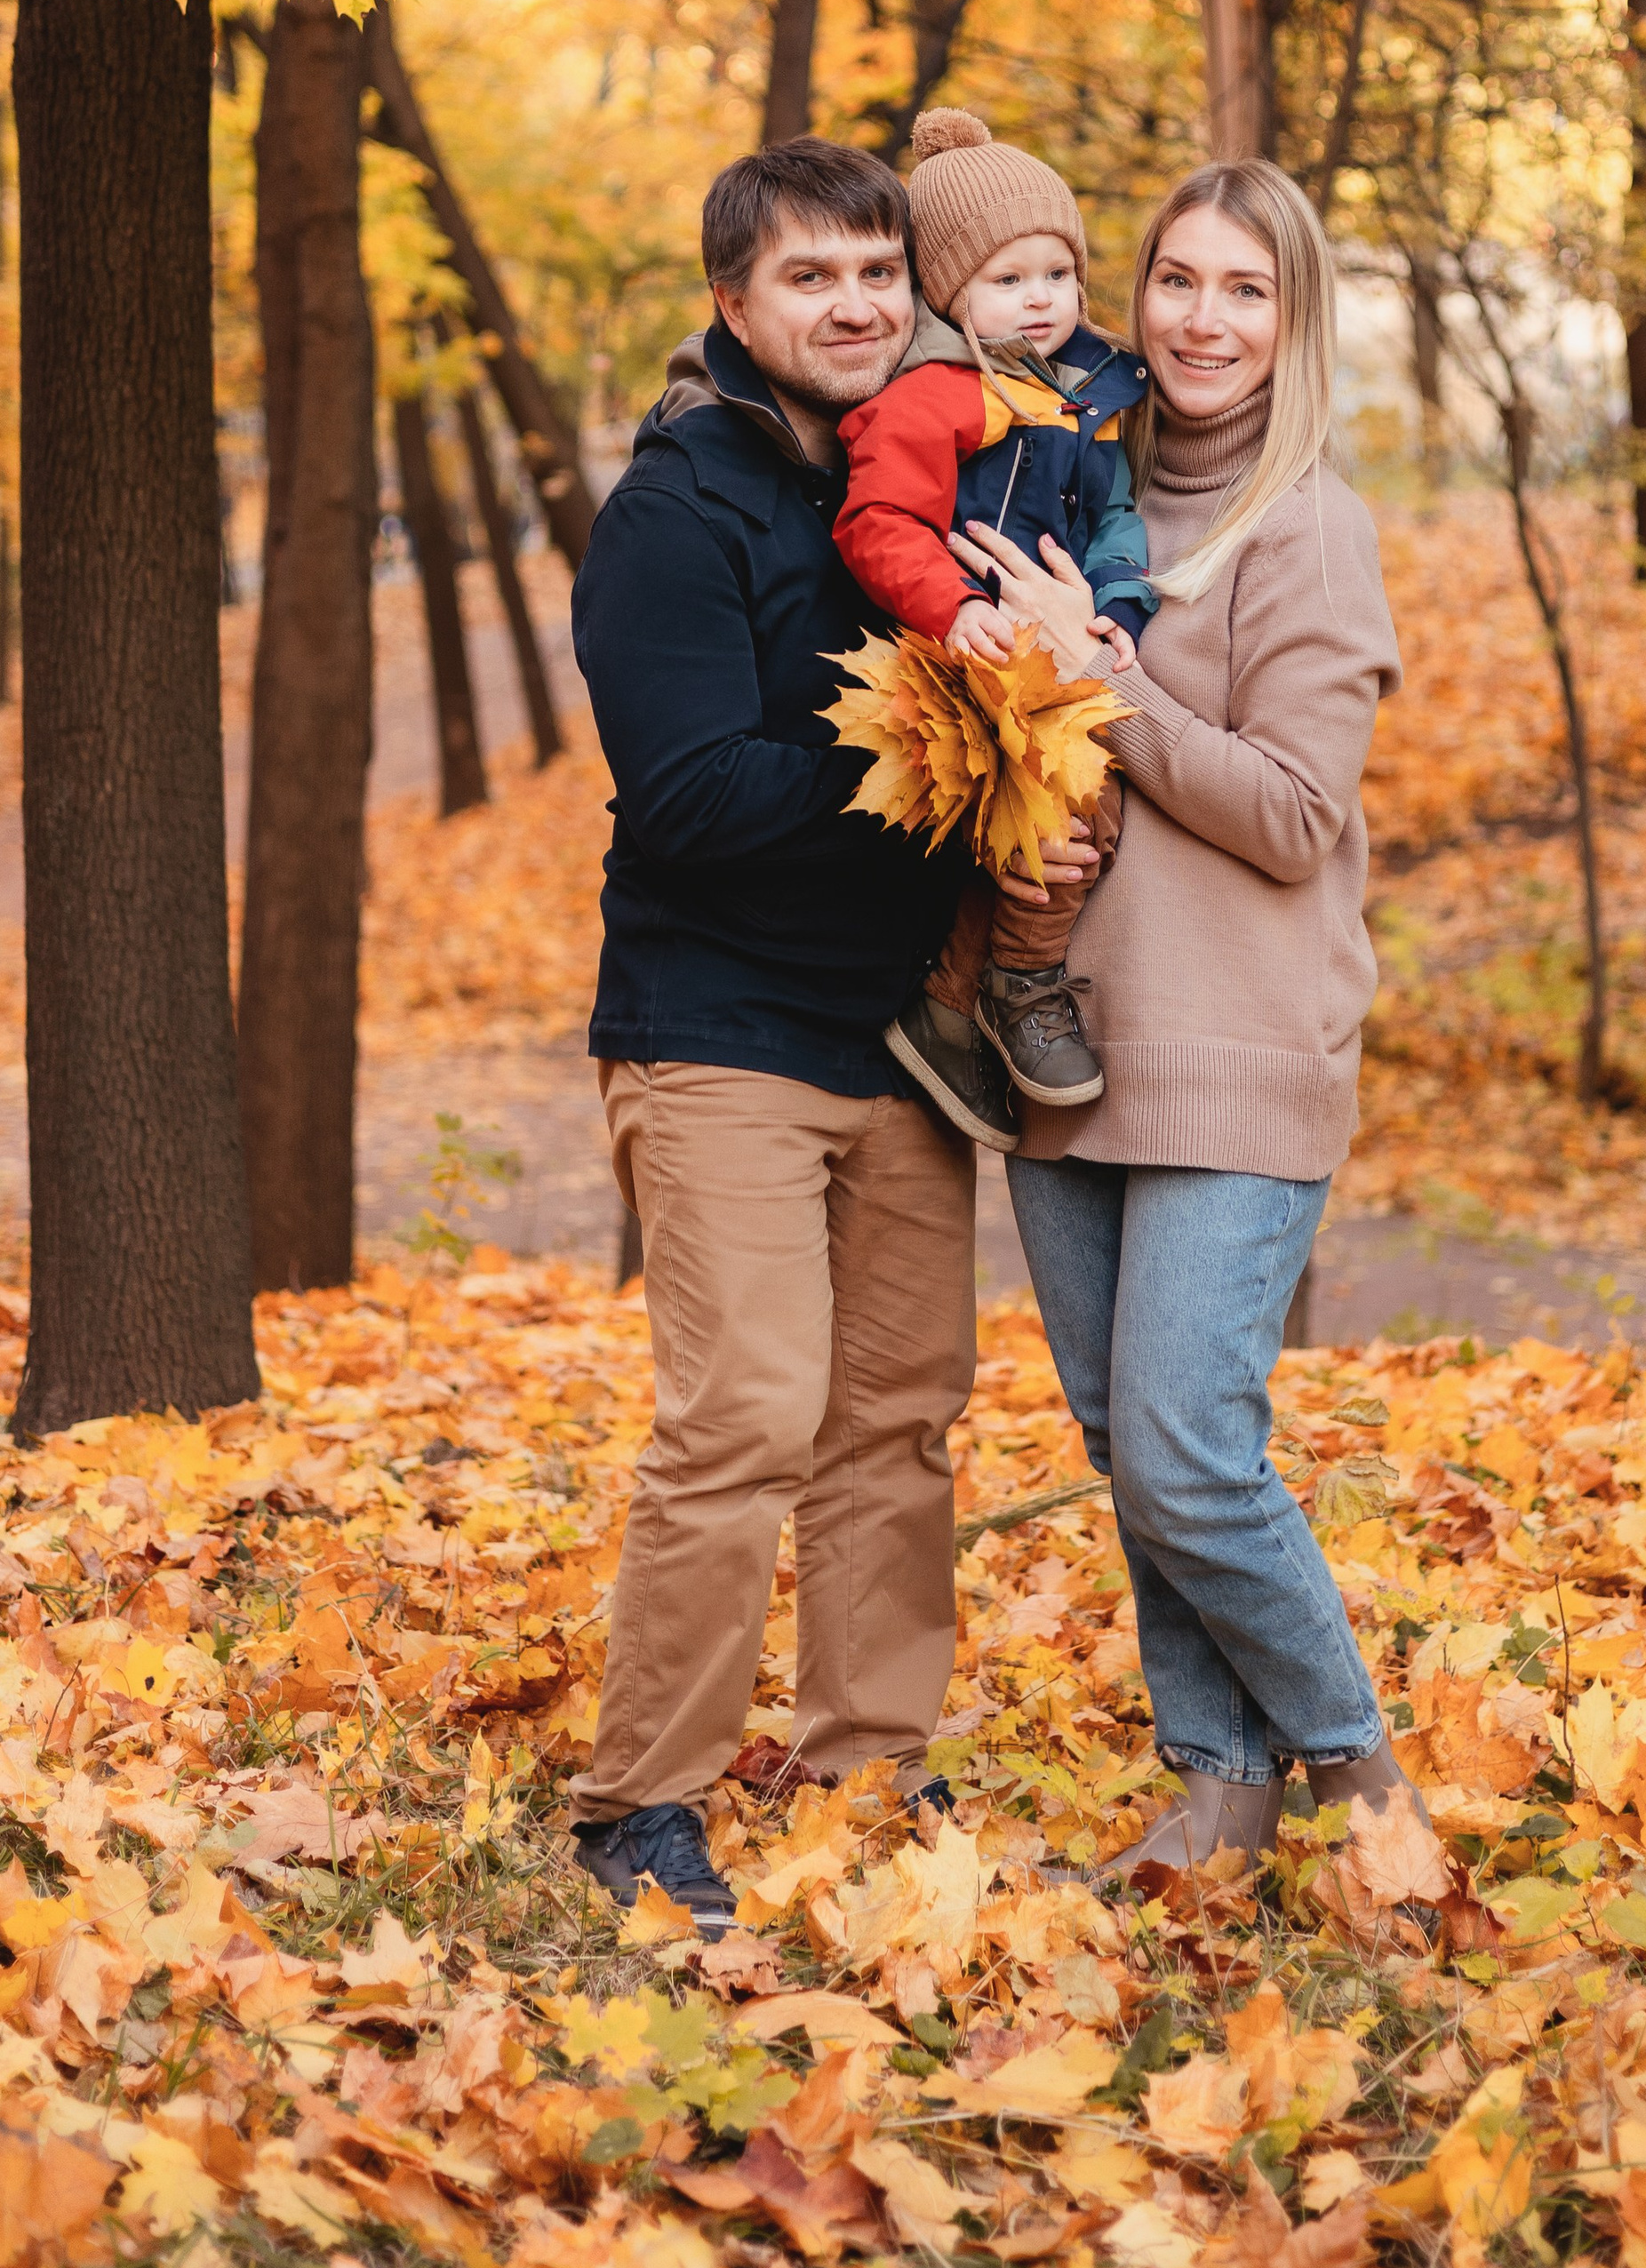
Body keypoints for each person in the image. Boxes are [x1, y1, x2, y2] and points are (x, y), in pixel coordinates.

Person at [566, 138, 1091, 1929]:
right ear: (734, 304)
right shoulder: (671, 516)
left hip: (900, 1036)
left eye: (877, 271)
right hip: (716, 1028)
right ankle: (640, 1798)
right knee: (744, 1416)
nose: (855, 303)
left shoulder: (925, 460)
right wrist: (944, 761)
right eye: (812, 278)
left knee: (898, 1418)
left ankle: (868, 1756)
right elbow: (696, 791)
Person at [953, 158, 1426, 1884]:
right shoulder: (1073, 486)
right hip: (1063, 1038)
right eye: (1174, 281)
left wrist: (1111, 682)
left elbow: (1297, 815)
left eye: (1242, 290)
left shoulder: (1306, 525)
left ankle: (1356, 1775)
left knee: (1182, 1448)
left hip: (1237, 1051)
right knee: (1124, 1451)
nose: (1199, 319)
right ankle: (1216, 1784)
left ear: (1287, 323)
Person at [833, 108, 1155, 1147]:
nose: (1041, 300)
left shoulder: (1078, 395)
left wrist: (1115, 606)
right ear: (945, 293)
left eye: (1056, 275)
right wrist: (957, 604)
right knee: (1069, 812)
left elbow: (1113, 518)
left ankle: (965, 996)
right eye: (1008, 281)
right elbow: (878, 522)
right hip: (958, 650)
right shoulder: (939, 397)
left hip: (1050, 648)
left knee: (1086, 806)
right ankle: (1014, 983)